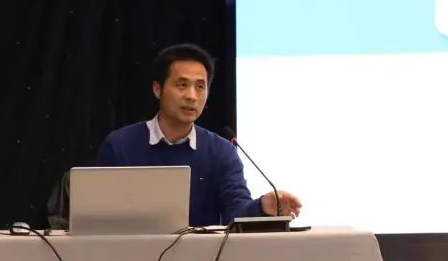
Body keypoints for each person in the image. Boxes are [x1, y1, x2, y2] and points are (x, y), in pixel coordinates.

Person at [96, 43, 302, 227]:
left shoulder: (221, 151)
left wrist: (262, 206)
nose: (192, 96)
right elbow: (99, 215)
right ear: (158, 89)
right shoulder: (120, 145)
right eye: (182, 85)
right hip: (130, 254)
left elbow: (235, 211)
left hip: (202, 257)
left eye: (200, 87)